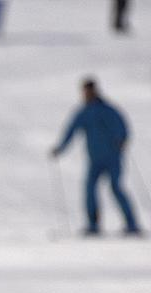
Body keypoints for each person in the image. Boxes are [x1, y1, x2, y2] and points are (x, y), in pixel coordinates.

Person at [52, 78, 141, 236]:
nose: (86, 94)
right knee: (90, 190)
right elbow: (71, 131)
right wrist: (60, 148)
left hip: (113, 158)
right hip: (95, 160)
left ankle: (132, 224)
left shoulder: (107, 110)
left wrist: (122, 139)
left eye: (88, 91)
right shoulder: (84, 112)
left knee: (116, 187)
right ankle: (93, 225)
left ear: (94, 90)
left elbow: (122, 127)